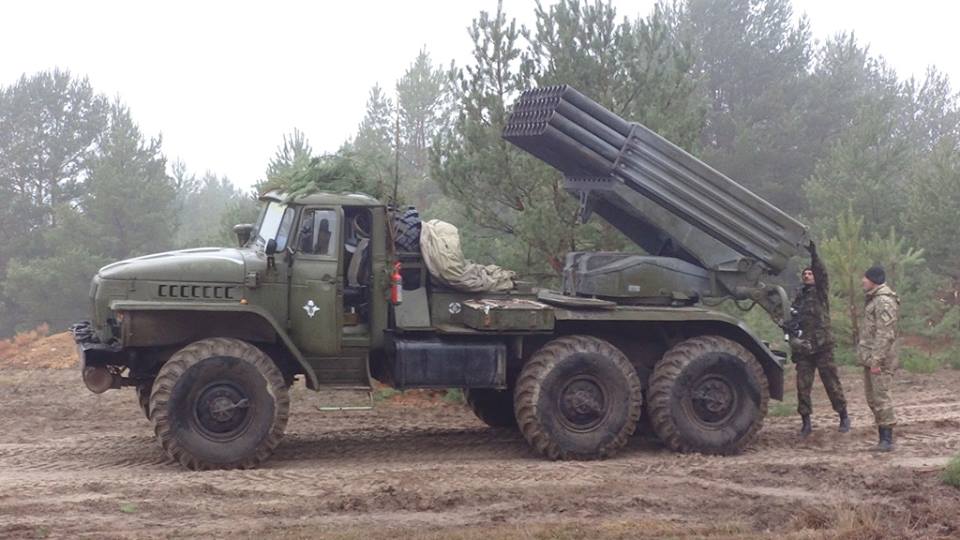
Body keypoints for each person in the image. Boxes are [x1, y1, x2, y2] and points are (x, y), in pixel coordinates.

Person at [789, 241, 849, 436]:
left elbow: (822, 274)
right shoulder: (798, 297)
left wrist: (814, 256)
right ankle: (806, 423)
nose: (807, 276)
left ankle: (843, 416)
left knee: (831, 383)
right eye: (805, 274)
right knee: (802, 387)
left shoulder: (820, 292)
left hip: (822, 346)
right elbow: (791, 320)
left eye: (810, 273)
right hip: (804, 349)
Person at [858, 265, 900, 452]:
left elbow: (885, 334)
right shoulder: (874, 299)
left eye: (865, 278)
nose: (863, 281)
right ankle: (882, 438)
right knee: (873, 398)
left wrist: (876, 360)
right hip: (871, 358)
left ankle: (887, 440)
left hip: (880, 360)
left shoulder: (884, 301)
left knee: (881, 398)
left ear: (873, 280)